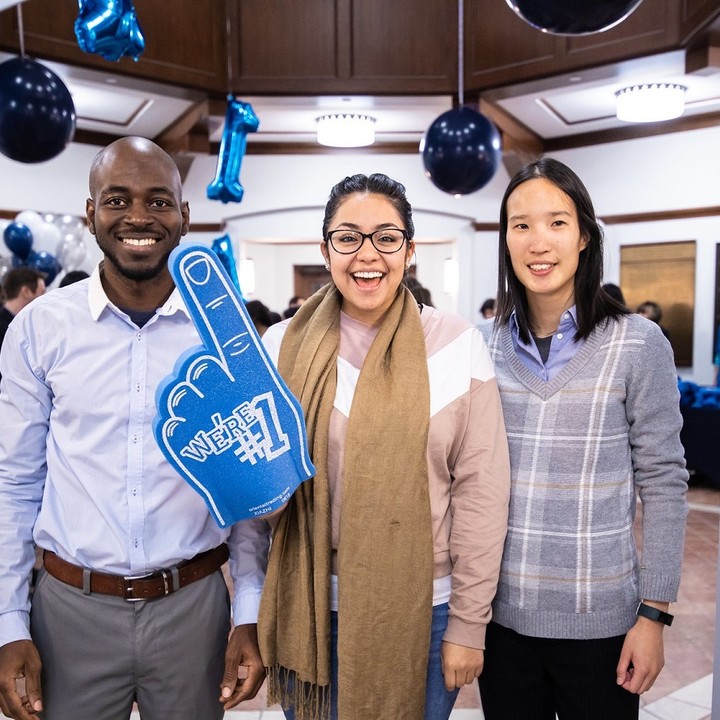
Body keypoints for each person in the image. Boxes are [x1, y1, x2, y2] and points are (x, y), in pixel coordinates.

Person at [0, 137, 270, 720]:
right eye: (117, 200)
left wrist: (247, 611)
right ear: (90, 213)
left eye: (158, 201)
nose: (139, 217)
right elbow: (15, 485)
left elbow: (249, 488)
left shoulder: (223, 331)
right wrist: (7, 623)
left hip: (194, 607)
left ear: (184, 215)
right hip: (70, 609)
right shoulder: (39, 330)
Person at [257, 173, 510, 720]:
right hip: (311, 606)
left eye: (386, 238)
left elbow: (482, 494)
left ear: (410, 250)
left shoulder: (456, 345)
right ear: (325, 250)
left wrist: (469, 623)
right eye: (347, 237)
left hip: (426, 607)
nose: (366, 255)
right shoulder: (280, 348)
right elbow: (259, 489)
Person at [477, 157, 688, 720]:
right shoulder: (484, 347)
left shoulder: (638, 344)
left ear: (585, 237)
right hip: (502, 625)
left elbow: (665, 483)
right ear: (505, 240)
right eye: (520, 225)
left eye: (557, 222)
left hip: (603, 626)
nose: (537, 242)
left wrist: (654, 615)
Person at [0, 268, 46, 383]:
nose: (46, 299)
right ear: (26, 292)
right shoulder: (8, 329)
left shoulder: (25, 327)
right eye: (42, 293)